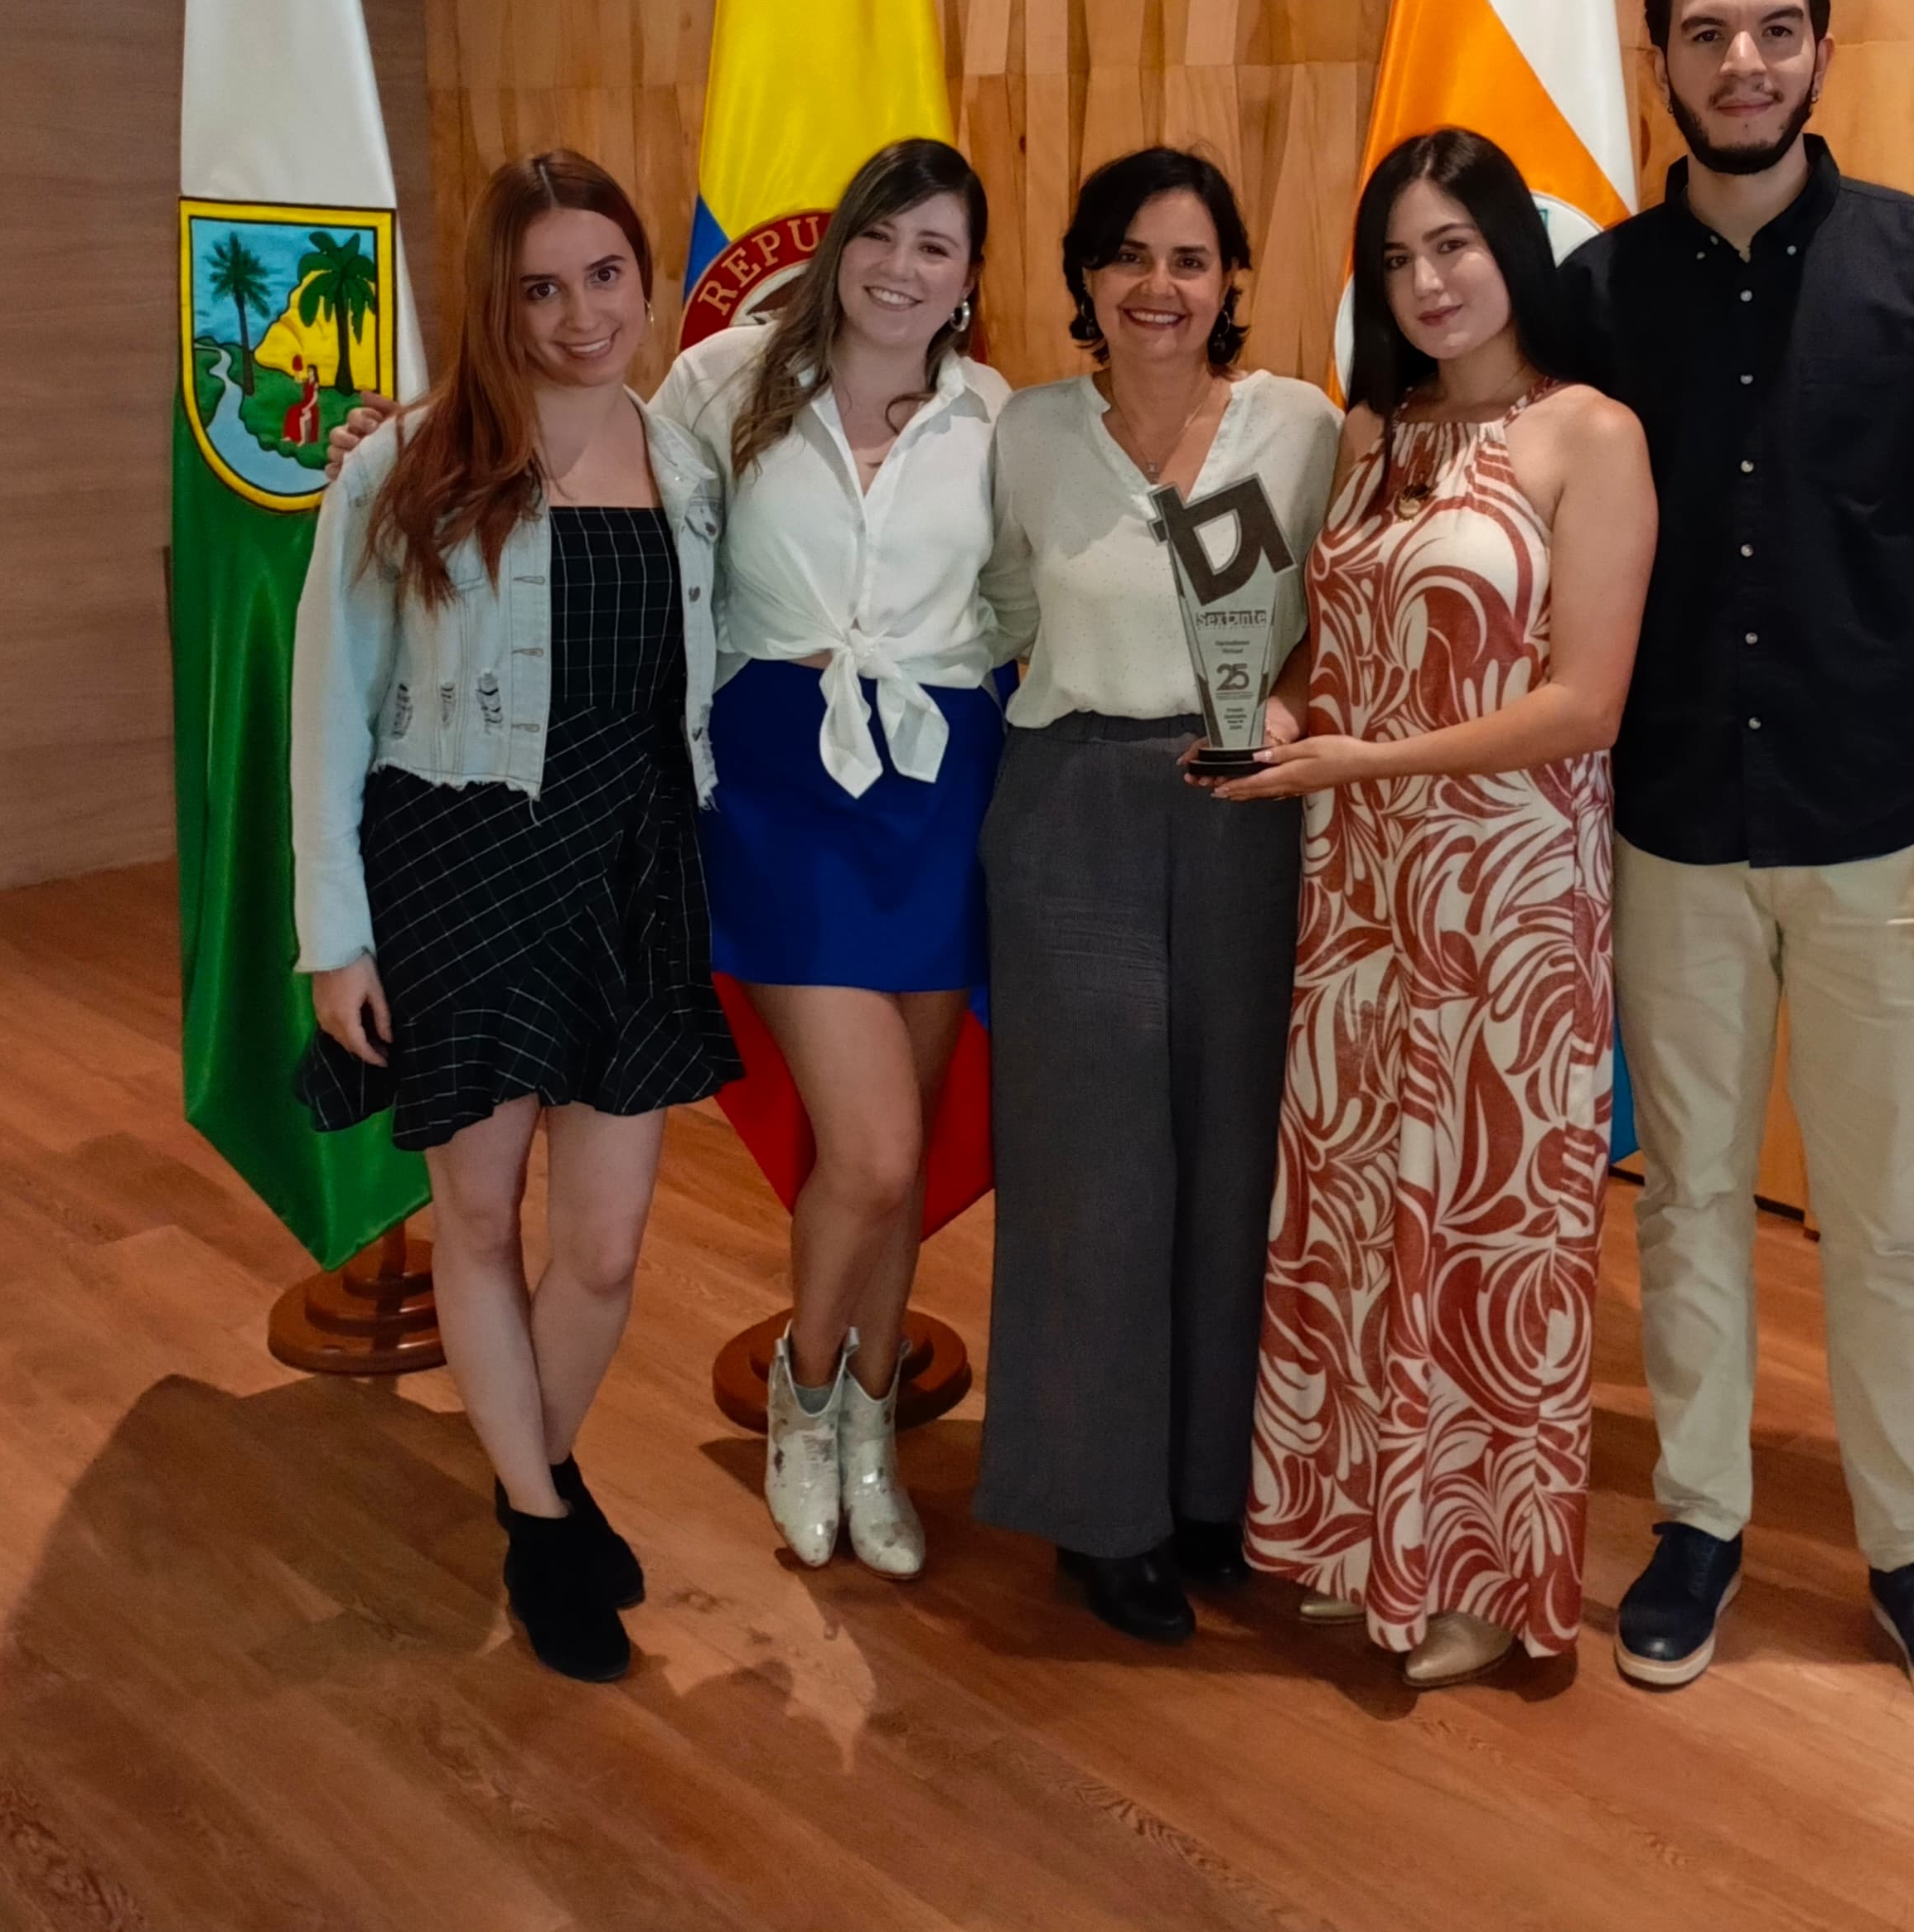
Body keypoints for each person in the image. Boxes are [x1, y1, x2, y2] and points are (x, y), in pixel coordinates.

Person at [1561, 0, 1914, 1738]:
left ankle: (1910, 1551)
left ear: (1822, 52)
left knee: (1880, 1219)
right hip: (1674, 830)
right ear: (1663, 63)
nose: (1743, 61)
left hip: (1876, 832)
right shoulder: (1598, 301)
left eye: (1775, 29)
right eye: (1706, 33)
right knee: (1684, 1199)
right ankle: (1698, 1522)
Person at [292, 149, 737, 1683]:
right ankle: (548, 1526)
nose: (578, 314)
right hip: (459, 861)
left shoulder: (688, 462)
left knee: (603, 1248)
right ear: (496, 300)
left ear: (643, 277)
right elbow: (328, 707)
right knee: (479, 1221)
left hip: (632, 864)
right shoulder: (401, 463)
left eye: (605, 275)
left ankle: (526, 1475)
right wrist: (333, 935)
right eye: (541, 287)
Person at [1225, 129, 1655, 1689]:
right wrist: (1280, 714)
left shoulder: (1586, 434)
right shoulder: (1375, 437)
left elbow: (1587, 702)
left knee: (1487, 1230)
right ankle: (1364, 1537)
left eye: (1454, 246)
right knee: (1355, 1212)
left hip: (1511, 902)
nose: (1426, 282)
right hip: (1358, 888)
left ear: (1512, 253)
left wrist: (1366, 755)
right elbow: (1327, 646)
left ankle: (1481, 1571)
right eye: (1397, 258)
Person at [971, 146, 1341, 1645]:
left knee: (1235, 1155)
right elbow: (996, 604)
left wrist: (1309, 715)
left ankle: (1211, 1488)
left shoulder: (1301, 425)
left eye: (1191, 260)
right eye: (1127, 258)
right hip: (1073, 808)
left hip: (1249, 811)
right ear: (1083, 281)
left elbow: (1346, 599)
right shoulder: (1028, 432)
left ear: (1234, 279)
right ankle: (1097, 1511)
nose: (1159, 288)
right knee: (1094, 1169)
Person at [650, 138, 1008, 1581]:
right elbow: (598, 482)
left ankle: (871, 1427)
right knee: (868, 1148)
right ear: (837, 242)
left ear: (971, 279)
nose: (902, 268)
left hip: (942, 788)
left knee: (903, 1162)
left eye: (938, 247)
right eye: (883, 234)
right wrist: (410, 435)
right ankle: (806, 1404)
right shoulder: (724, 381)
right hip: (782, 786)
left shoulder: (1002, 416)